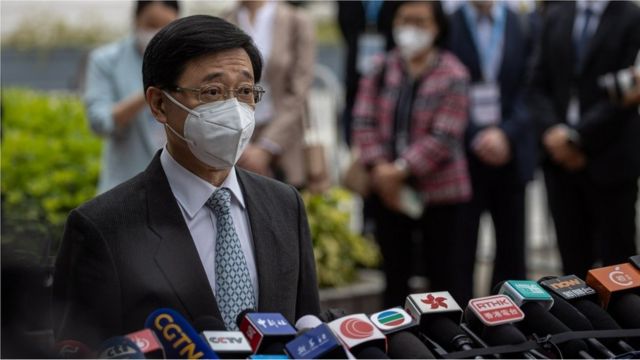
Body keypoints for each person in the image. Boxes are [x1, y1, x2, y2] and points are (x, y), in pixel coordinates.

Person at [53, 15, 320, 346]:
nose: (234, 109)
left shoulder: (284, 205)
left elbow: (310, 331)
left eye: (245, 91)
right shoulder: (102, 227)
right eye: (212, 91)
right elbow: (81, 350)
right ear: (159, 103)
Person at [352, 1, 471, 307]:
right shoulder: (380, 66)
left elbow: (445, 135)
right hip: (388, 192)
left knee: (445, 279)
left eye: (421, 21)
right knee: (394, 276)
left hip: (441, 193)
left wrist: (400, 170)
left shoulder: (453, 72)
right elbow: (363, 120)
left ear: (437, 27)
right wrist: (380, 167)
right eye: (405, 20)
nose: (411, 29)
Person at [528, 0, 640, 278]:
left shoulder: (631, 16)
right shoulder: (557, 15)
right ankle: (579, 321)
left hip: (611, 160)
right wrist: (554, 132)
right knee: (572, 265)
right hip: (559, 163)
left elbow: (628, 92)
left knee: (619, 265)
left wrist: (577, 138)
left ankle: (622, 322)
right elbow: (536, 84)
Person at [447, 0, 535, 303]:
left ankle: (510, 329)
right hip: (464, 157)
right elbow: (446, 88)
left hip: (510, 153)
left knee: (512, 251)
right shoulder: (451, 22)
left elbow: (530, 84)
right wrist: (476, 136)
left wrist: (506, 134)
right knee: (460, 252)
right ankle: (463, 331)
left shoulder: (519, 22)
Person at [84, 1, 179, 194]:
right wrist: (151, 91)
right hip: (126, 186)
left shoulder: (186, 62)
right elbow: (99, 121)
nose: (157, 33)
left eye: (166, 27)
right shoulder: (106, 60)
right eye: (151, 24)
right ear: (135, 20)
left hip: (178, 186)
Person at [224, 0, 315, 188]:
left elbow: (299, 91)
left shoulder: (295, 20)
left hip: (284, 139)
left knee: (284, 207)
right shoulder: (224, 19)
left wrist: (267, 146)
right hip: (234, 140)